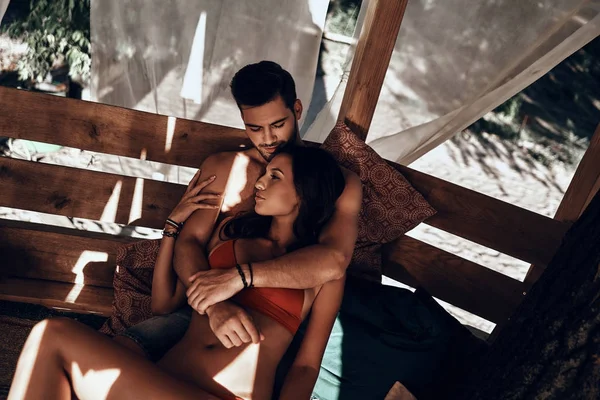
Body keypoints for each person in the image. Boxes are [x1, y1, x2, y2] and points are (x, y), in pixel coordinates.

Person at [9, 147, 347, 400]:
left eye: (275, 176)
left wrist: (234, 283)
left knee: (52, 335)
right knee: (51, 351)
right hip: (160, 379)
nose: (260, 182)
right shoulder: (232, 234)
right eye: (264, 173)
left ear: (306, 191)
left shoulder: (321, 271)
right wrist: (213, 304)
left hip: (231, 394)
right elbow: (185, 261)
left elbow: (306, 367)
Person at [114, 60, 363, 358]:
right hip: (198, 314)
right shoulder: (224, 167)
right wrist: (214, 305)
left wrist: (238, 278)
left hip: (276, 326)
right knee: (117, 353)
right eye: (254, 128)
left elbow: (334, 261)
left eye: (278, 125)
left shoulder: (337, 182)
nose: (267, 139)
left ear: (296, 110)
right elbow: (189, 242)